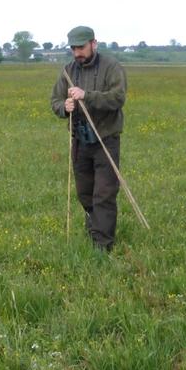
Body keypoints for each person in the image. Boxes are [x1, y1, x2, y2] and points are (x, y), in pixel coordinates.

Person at [50, 25, 128, 252]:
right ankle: (94, 230)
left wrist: (87, 96)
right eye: (73, 48)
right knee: (85, 193)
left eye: (81, 48)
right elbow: (54, 100)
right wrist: (64, 107)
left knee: (104, 193)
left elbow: (118, 98)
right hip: (79, 140)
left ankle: (102, 246)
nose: (77, 53)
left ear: (94, 43)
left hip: (105, 139)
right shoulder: (68, 70)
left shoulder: (111, 67)